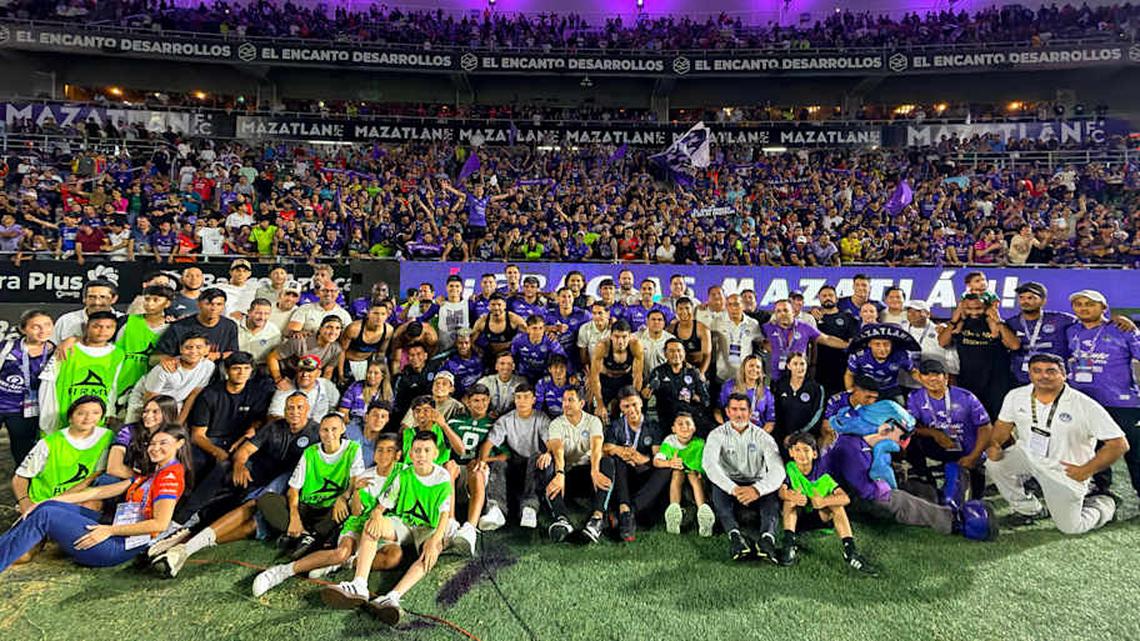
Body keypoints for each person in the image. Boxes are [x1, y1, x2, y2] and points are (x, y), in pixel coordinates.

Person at [155, 393, 319, 577]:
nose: (295, 412)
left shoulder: (316, 432)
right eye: (290, 407)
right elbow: (246, 450)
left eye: (299, 407)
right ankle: (184, 521)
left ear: (308, 409)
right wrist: (239, 464)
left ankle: (187, 546)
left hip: (286, 483)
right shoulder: (274, 426)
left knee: (254, 511)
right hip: (259, 475)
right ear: (285, 410)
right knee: (226, 468)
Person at [0, 424, 190, 574]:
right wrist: (43, 501)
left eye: (163, 443)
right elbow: (96, 493)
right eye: (153, 443)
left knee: (47, 515)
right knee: (47, 506)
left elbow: (160, 524)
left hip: (115, 545)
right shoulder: (154, 474)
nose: (155, 448)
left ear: (179, 443)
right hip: (115, 529)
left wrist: (110, 530)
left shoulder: (170, 477)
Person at [322, 429, 462, 626]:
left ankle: (392, 597)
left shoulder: (443, 477)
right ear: (411, 453)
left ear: (435, 454)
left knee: (432, 551)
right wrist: (376, 515)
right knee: (372, 524)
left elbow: (444, 515)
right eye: (417, 450)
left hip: (428, 528)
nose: (421, 455)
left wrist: (435, 540)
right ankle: (359, 584)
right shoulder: (403, 474)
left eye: (426, 450)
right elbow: (383, 504)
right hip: (403, 523)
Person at [987, 354, 1127, 534]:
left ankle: (1106, 503)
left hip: (1064, 471)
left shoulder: (1083, 405)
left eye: (1051, 371)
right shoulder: (1016, 396)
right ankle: (1029, 509)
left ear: (1064, 374)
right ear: (1029, 374)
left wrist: (1086, 470)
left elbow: (1119, 444)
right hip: (1028, 456)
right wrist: (995, 445)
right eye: (1037, 371)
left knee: (1072, 527)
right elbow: (1002, 425)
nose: (1043, 376)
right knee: (995, 464)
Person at [251, 433, 404, 596]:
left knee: (393, 557)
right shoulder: (365, 475)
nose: (383, 454)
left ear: (398, 454)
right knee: (341, 552)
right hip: (359, 524)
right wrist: (357, 492)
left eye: (389, 450)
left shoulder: (404, 473)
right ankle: (283, 571)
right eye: (380, 450)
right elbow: (356, 512)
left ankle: (345, 563)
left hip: (384, 527)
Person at [254, 413, 365, 560]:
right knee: (266, 499)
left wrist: (343, 497)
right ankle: (304, 535)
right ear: (319, 431)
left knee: (352, 503)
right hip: (307, 507)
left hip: (331, 509)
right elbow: (293, 489)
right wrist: (294, 517)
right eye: (325, 430)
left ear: (343, 429)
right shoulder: (310, 452)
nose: (329, 434)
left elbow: (355, 482)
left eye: (334, 429)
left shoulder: (353, 449)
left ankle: (306, 537)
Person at [1064, 289, 1140, 497]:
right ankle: (1101, 490)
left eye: (1090, 304)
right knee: (1092, 449)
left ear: (1103, 308)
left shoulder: (1122, 329)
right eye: (1078, 304)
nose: (1083, 308)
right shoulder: (1071, 331)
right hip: (1084, 401)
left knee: (1135, 452)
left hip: (1122, 403)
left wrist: (1133, 328)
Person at [703, 393, 786, 562]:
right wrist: (733, 489)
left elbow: (778, 470)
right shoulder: (716, 435)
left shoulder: (763, 437)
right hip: (730, 482)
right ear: (727, 412)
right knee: (718, 490)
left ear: (750, 412)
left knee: (771, 496)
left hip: (756, 481)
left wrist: (757, 489)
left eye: (743, 410)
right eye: (734, 409)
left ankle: (767, 539)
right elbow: (709, 465)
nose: (738, 414)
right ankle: (735, 537)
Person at [778, 432, 876, 575]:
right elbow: (781, 492)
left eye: (806, 450)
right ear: (791, 453)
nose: (801, 454)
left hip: (819, 516)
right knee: (789, 500)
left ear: (814, 454)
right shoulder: (790, 468)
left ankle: (850, 551)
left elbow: (845, 498)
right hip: (796, 518)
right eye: (797, 450)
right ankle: (788, 544)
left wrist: (823, 501)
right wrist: (792, 496)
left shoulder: (823, 473)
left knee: (836, 504)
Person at [13, 395, 114, 520]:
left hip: (77, 499)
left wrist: (60, 500)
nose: (88, 418)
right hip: (42, 501)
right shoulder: (49, 443)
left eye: (96, 413)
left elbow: (96, 474)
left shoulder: (107, 437)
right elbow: (20, 477)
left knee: (94, 503)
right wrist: (25, 503)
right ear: (70, 417)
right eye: (81, 413)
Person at [906, 360, 992, 504]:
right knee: (908, 437)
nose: (932, 379)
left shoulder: (966, 397)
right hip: (942, 446)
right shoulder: (915, 397)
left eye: (936, 374)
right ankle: (924, 478)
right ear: (920, 378)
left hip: (968, 448)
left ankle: (977, 497)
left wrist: (974, 456)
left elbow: (985, 427)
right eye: (926, 375)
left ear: (946, 377)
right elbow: (911, 425)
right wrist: (934, 433)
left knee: (974, 494)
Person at [186, 352, 271, 477]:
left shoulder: (257, 392)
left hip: (239, 441)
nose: (241, 373)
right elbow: (197, 435)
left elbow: (259, 420)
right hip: (211, 440)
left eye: (246, 368)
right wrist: (217, 452)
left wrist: (252, 430)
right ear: (226, 370)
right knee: (196, 461)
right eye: (236, 368)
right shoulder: (210, 394)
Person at [476, 384, 550, 529]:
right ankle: (496, 510)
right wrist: (482, 461)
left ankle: (529, 508)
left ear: (533, 400)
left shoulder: (541, 418)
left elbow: (551, 442)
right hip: (514, 463)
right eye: (518, 397)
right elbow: (489, 444)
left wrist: (548, 453)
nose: (522, 401)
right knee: (498, 463)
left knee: (539, 457)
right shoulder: (506, 420)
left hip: (534, 465)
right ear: (514, 400)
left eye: (526, 397)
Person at [541, 387, 609, 542]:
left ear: (581, 403)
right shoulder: (556, 424)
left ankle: (597, 519)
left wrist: (595, 470)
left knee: (608, 462)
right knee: (547, 462)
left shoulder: (593, 421)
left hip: (588, 474)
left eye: (570, 400)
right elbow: (557, 449)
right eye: (564, 400)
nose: (566, 404)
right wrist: (560, 474)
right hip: (567, 475)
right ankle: (562, 519)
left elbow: (597, 448)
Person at [38, 310, 124, 433]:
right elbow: (48, 383)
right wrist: (48, 419)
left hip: (95, 420)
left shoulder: (118, 354)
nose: (102, 331)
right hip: (62, 417)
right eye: (97, 326)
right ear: (86, 327)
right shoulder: (67, 349)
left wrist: (110, 412)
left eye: (109, 327)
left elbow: (113, 386)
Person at [938, 291, 1020, 421]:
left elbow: (1014, 345)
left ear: (987, 307)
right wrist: (954, 320)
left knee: (997, 419)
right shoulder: (959, 324)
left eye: (978, 308)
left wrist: (998, 321)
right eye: (969, 309)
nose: (974, 313)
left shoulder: (999, 324)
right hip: (969, 380)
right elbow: (942, 342)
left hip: (996, 382)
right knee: (972, 419)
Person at [601, 389, 668, 542]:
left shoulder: (652, 425)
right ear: (621, 408)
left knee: (665, 468)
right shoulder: (616, 426)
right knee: (616, 460)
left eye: (634, 404)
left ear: (641, 403)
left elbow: (657, 456)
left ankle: (627, 512)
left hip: (645, 478)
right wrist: (621, 450)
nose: (631, 410)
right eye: (626, 406)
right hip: (625, 479)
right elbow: (606, 448)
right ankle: (625, 508)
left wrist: (643, 459)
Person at [0, 310, 55, 465]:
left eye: (47, 325)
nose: (43, 331)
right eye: (36, 327)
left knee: (22, 451)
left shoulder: (55, 352)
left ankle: (21, 479)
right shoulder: (7, 347)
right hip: (2, 402)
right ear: (23, 329)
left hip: (26, 409)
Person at [124, 333, 215, 425]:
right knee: (136, 430)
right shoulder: (165, 369)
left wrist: (178, 424)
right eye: (188, 347)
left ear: (207, 349)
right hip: (144, 400)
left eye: (199, 347)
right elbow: (149, 397)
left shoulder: (209, 367)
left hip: (174, 403)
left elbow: (193, 395)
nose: (193, 351)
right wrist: (153, 421)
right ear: (181, 349)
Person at [1005, 282, 1076, 386]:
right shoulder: (1011, 323)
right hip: (1021, 381)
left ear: (1043, 301)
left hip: (1054, 379)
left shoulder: (1061, 320)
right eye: (1021, 298)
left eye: (1030, 298)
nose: (1025, 301)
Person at [655, 412, 714, 536]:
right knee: (677, 473)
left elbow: (707, 463)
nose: (684, 427)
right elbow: (657, 461)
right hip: (677, 473)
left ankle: (703, 512)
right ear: (673, 429)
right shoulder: (670, 441)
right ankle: (674, 509)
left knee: (693, 476)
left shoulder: (700, 443)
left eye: (688, 424)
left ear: (694, 428)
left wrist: (702, 472)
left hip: (695, 475)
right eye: (680, 424)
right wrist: (670, 463)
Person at [762, 299, 848, 381]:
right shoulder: (767, 327)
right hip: (776, 377)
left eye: (785, 310)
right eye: (778, 311)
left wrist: (848, 345)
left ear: (793, 312)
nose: (782, 314)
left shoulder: (804, 327)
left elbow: (827, 339)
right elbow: (758, 341)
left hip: (799, 377)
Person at [644, 339, 713, 437]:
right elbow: (646, 395)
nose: (676, 354)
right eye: (671, 351)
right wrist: (648, 391)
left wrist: (695, 397)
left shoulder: (693, 372)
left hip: (690, 418)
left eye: (679, 350)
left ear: (684, 353)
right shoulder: (658, 372)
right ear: (665, 354)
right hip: (667, 419)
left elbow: (706, 400)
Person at [154, 288, 239, 366]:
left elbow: (234, 353)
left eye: (219, 304)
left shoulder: (230, 326)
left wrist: (218, 355)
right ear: (199, 304)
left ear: (224, 306)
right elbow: (154, 358)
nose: (214, 308)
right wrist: (168, 360)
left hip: (217, 372)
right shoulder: (179, 327)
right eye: (208, 304)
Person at [114, 284, 174, 395]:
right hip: (118, 382)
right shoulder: (125, 321)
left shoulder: (172, 328)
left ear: (167, 303)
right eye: (147, 299)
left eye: (156, 300)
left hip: (151, 387)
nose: (150, 303)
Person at [106, 395, 180, 480]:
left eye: (155, 412)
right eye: (146, 411)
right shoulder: (128, 431)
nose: (148, 416)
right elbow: (113, 468)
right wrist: (141, 480)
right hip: (123, 479)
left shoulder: (173, 438)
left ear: (168, 414)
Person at [844, 324, 918, 403]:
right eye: (877, 344)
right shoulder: (859, 355)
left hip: (891, 388)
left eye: (886, 344)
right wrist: (850, 392)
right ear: (869, 344)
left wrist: (925, 383)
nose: (882, 349)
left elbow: (913, 371)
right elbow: (849, 374)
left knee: (901, 407)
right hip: (866, 389)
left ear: (892, 344)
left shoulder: (901, 355)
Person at [588, 320, 644, 422]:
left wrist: (635, 399)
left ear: (630, 336)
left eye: (624, 337)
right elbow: (595, 377)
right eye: (617, 337)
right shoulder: (602, 346)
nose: (620, 341)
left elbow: (638, 376)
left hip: (624, 380)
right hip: (605, 380)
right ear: (611, 336)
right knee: (597, 412)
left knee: (624, 410)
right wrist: (600, 404)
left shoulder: (635, 345)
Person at [811, 285, 860, 395]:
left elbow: (853, 343)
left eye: (830, 295)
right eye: (824, 296)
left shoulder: (848, 318)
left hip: (843, 368)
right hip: (820, 368)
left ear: (836, 298)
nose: (827, 298)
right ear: (819, 299)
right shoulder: (812, 318)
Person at [771, 352, 826, 447]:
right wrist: (781, 435)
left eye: (802, 364)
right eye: (795, 364)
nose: (799, 367)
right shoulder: (780, 386)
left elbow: (817, 415)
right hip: (782, 438)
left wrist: (798, 434)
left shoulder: (816, 389)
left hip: (806, 439)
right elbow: (776, 412)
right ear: (788, 366)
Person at [269, 315, 344, 384]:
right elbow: (272, 358)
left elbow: (328, 372)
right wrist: (278, 379)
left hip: (309, 377)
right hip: (285, 373)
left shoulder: (337, 349)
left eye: (337, 328)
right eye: (329, 327)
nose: (333, 332)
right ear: (320, 329)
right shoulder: (299, 341)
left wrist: (323, 388)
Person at [267, 355, 340, 420]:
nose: (305, 374)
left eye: (309, 370)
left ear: (318, 373)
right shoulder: (285, 387)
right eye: (301, 370)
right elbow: (273, 416)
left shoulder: (326, 385)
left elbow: (337, 407)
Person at [716, 354, 775, 431]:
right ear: (743, 368)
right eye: (751, 365)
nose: (754, 369)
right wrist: (726, 430)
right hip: (732, 431)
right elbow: (717, 411)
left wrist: (759, 436)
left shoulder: (766, 392)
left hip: (756, 433)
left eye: (758, 367)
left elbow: (770, 422)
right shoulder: (729, 386)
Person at [52, 279, 120, 344]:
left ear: (114, 299)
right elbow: (51, 347)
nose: (97, 302)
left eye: (103, 297)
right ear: (84, 298)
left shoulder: (122, 322)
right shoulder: (66, 321)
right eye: (91, 297)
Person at [341, 301, 393, 382]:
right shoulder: (354, 328)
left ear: (387, 315)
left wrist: (384, 375)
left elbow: (381, 353)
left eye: (383, 314)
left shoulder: (388, 330)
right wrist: (340, 373)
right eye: (375, 313)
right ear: (368, 314)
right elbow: (341, 351)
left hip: (367, 362)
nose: (379, 317)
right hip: (348, 362)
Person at [511, 314, 567, 384]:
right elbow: (512, 357)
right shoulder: (518, 340)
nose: (538, 332)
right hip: (523, 373)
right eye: (534, 328)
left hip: (544, 374)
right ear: (528, 329)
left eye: (541, 328)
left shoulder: (551, 341)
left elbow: (562, 359)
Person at [666, 297, 712, 377]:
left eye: (687, 308)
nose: (684, 312)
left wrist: (701, 373)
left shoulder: (702, 329)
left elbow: (707, 355)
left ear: (692, 310)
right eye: (680, 309)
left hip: (699, 367)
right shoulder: (671, 329)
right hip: (679, 370)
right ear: (676, 311)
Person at [476, 352, 525, 419]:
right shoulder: (485, 382)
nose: (506, 367)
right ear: (496, 366)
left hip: (512, 419)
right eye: (502, 363)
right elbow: (473, 400)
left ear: (513, 367)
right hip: (488, 418)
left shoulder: (521, 383)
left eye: (509, 364)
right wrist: (485, 413)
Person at [238, 298, 282, 366]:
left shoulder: (274, 331)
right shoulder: (234, 326)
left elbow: (274, 357)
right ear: (249, 312)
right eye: (258, 313)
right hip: (237, 365)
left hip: (261, 366)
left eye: (266, 314)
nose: (262, 317)